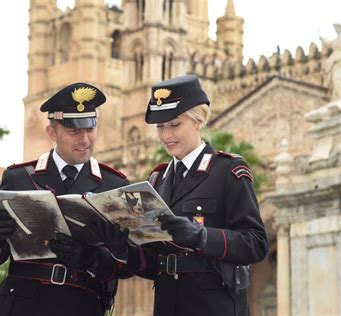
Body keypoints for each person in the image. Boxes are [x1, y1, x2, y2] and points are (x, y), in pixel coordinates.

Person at [95, 75, 268, 316]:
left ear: (199, 120)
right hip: (167, 304)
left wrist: (202, 237)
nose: (166, 135)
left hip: (216, 306)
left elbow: (256, 243)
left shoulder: (227, 171)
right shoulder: (157, 180)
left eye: (175, 125)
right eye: (160, 127)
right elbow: (153, 262)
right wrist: (122, 249)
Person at [0, 82, 129, 316]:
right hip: (21, 305)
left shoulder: (114, 184)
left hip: (82, 304)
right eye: (74, 131)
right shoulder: (19, 178)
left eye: (90, 129)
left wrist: (90, 259)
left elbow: (127, 266)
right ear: (52, 132)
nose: (84, 139)